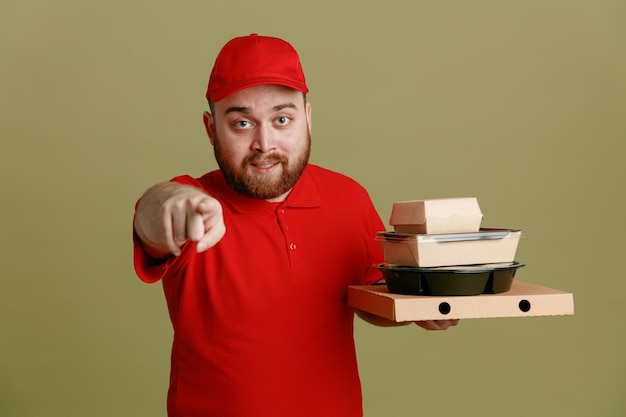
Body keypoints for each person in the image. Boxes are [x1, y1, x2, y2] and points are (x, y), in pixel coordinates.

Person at [133, 33, 458, 417]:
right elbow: (152, 217)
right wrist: (171, 204)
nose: (264, 142)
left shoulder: (348, 197)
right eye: (241, 123)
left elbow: (371, 295)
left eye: (282, 119)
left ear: (307, 119)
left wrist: (418, 307)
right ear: (210, 128)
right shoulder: (192, 203)